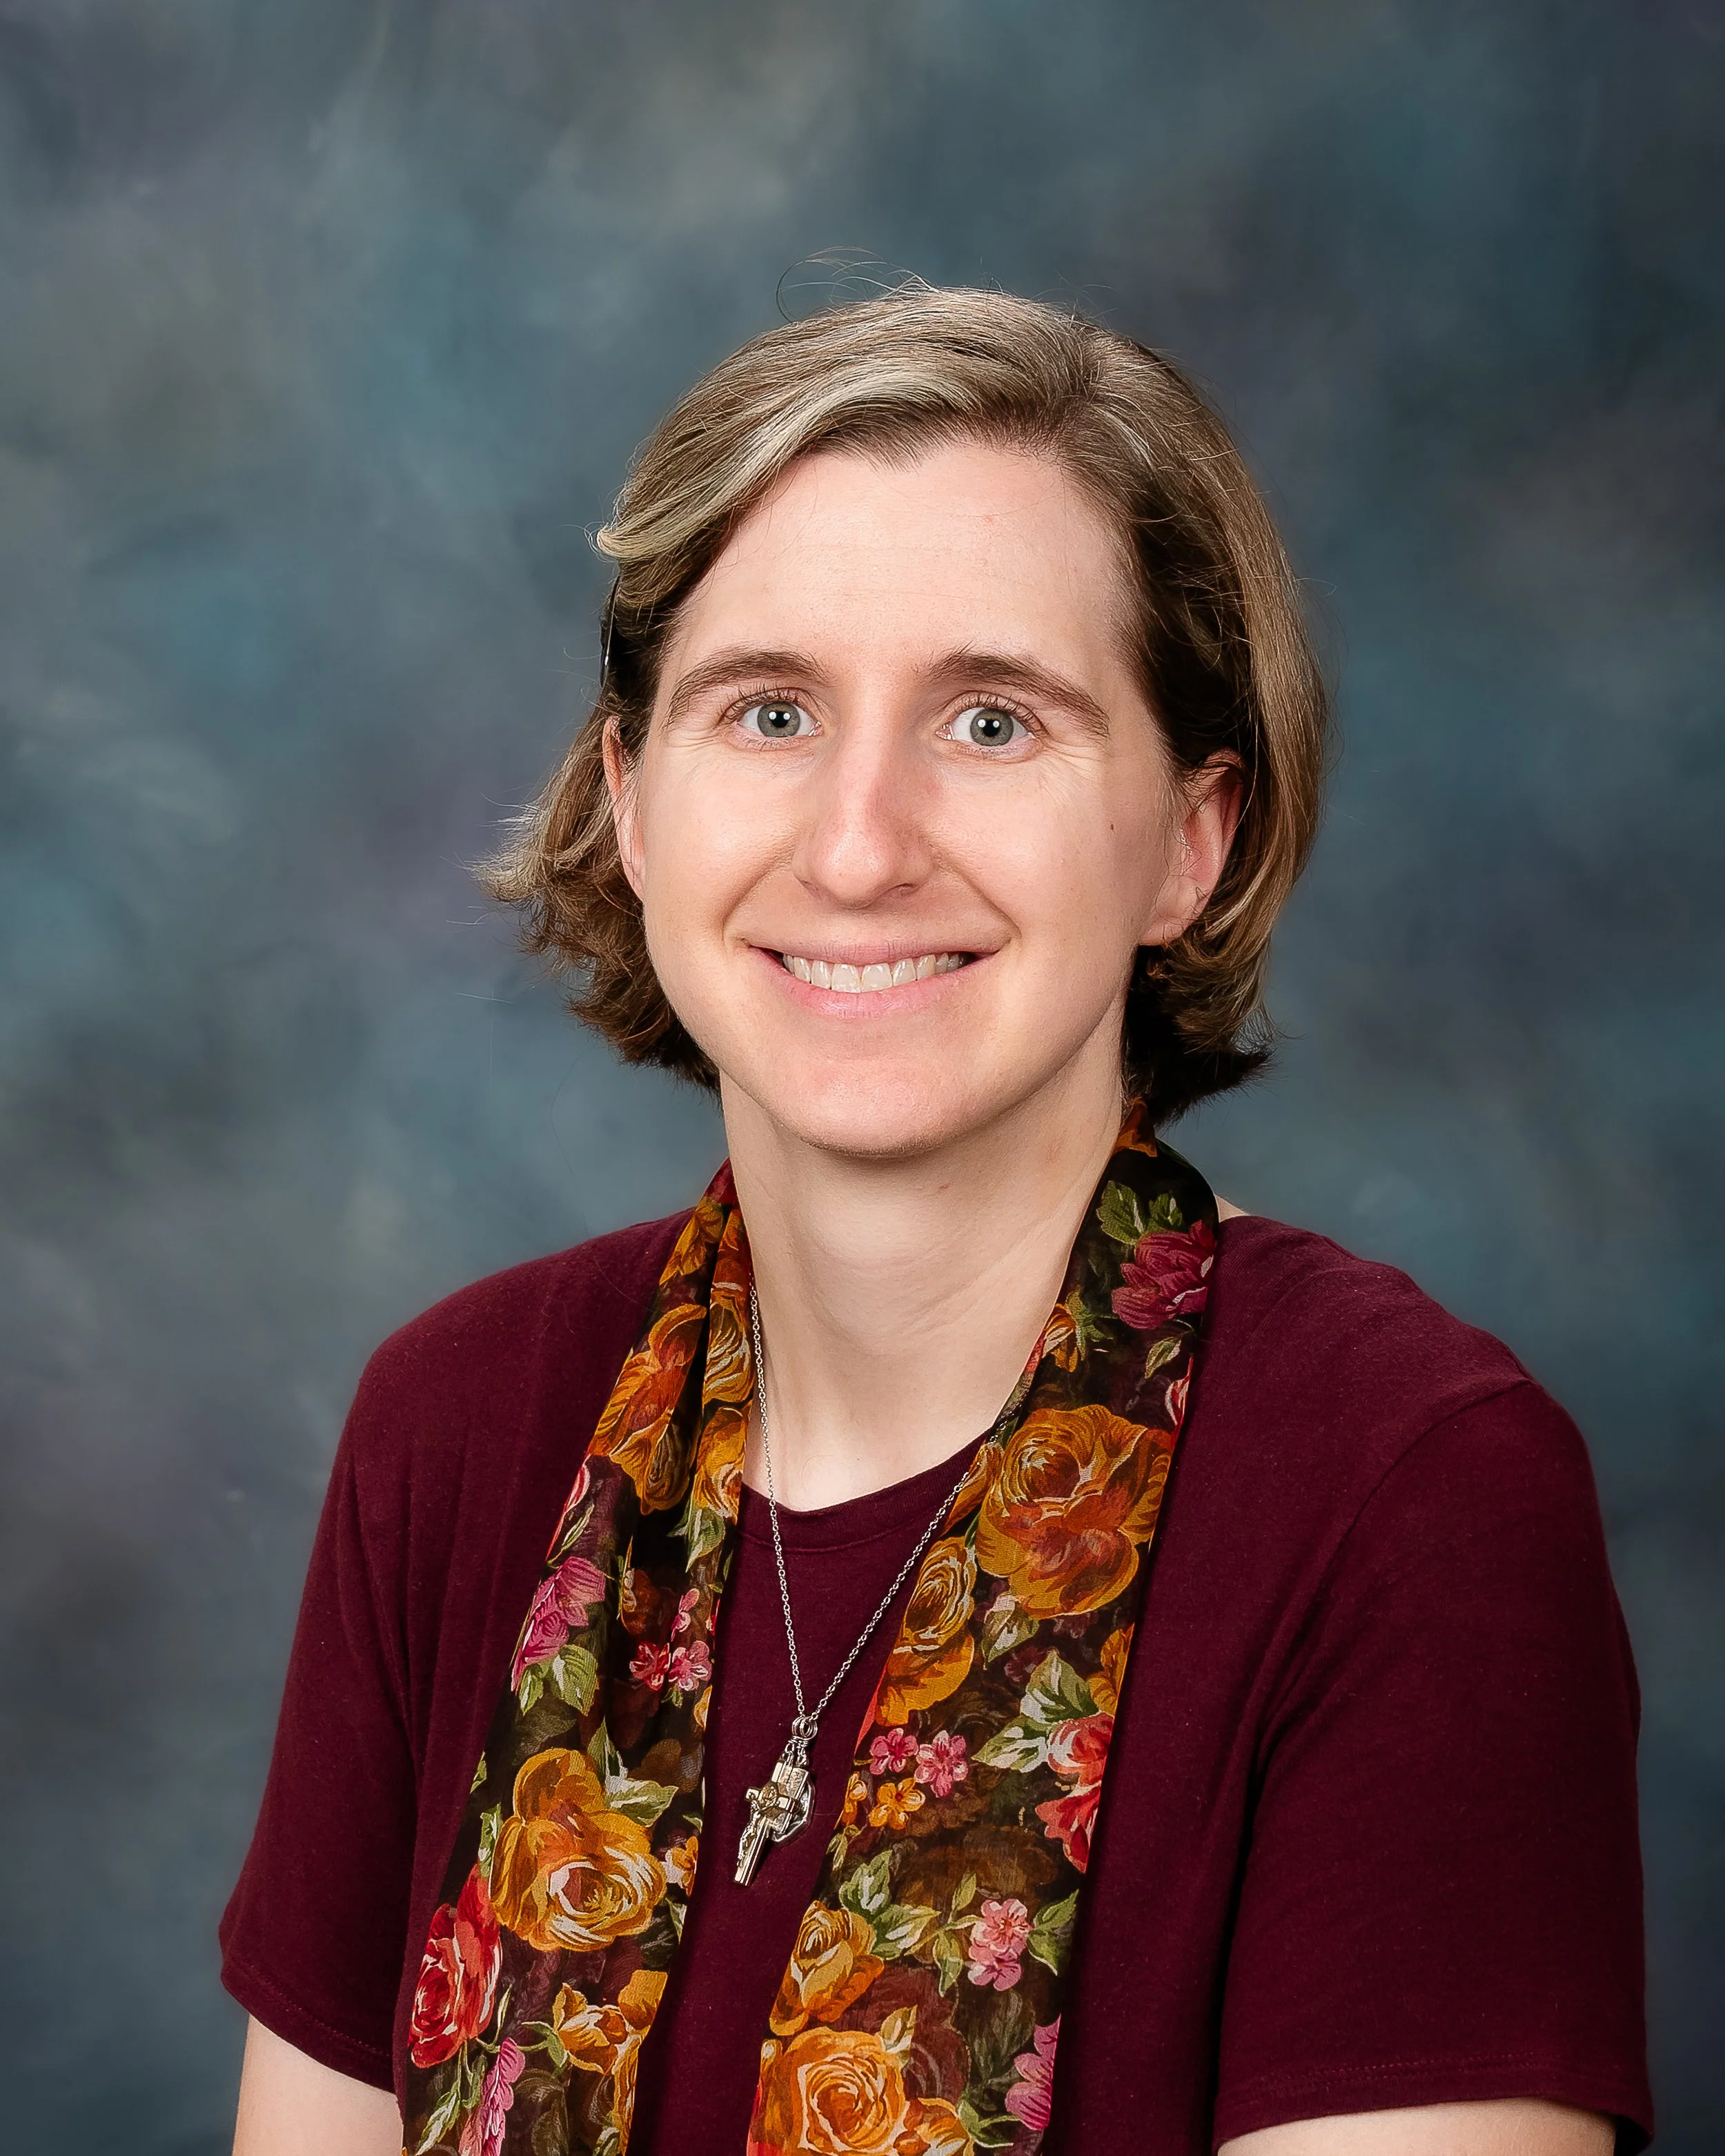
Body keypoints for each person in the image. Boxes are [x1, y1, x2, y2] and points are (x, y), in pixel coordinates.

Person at [222, 286, 1650, 2156]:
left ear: (1185, 839)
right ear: (634, 803)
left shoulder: (1409, 1495)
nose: (861, 842)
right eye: (769, 709)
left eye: (991, 719)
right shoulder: (460, 1429)